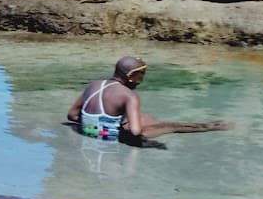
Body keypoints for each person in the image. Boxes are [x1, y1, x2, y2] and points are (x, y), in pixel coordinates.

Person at [66, 55, 231, 147]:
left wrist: (92, 125)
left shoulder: (94, 84)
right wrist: (111, 128)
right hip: (106, 136)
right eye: (141, 75)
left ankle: (219, 125)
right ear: (130, 77)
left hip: (86, 130)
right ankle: (216, 126)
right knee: (169, 125)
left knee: (147, 118)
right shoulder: (130, 96)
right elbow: (135, 132)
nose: (142, 80)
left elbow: (72, 115)